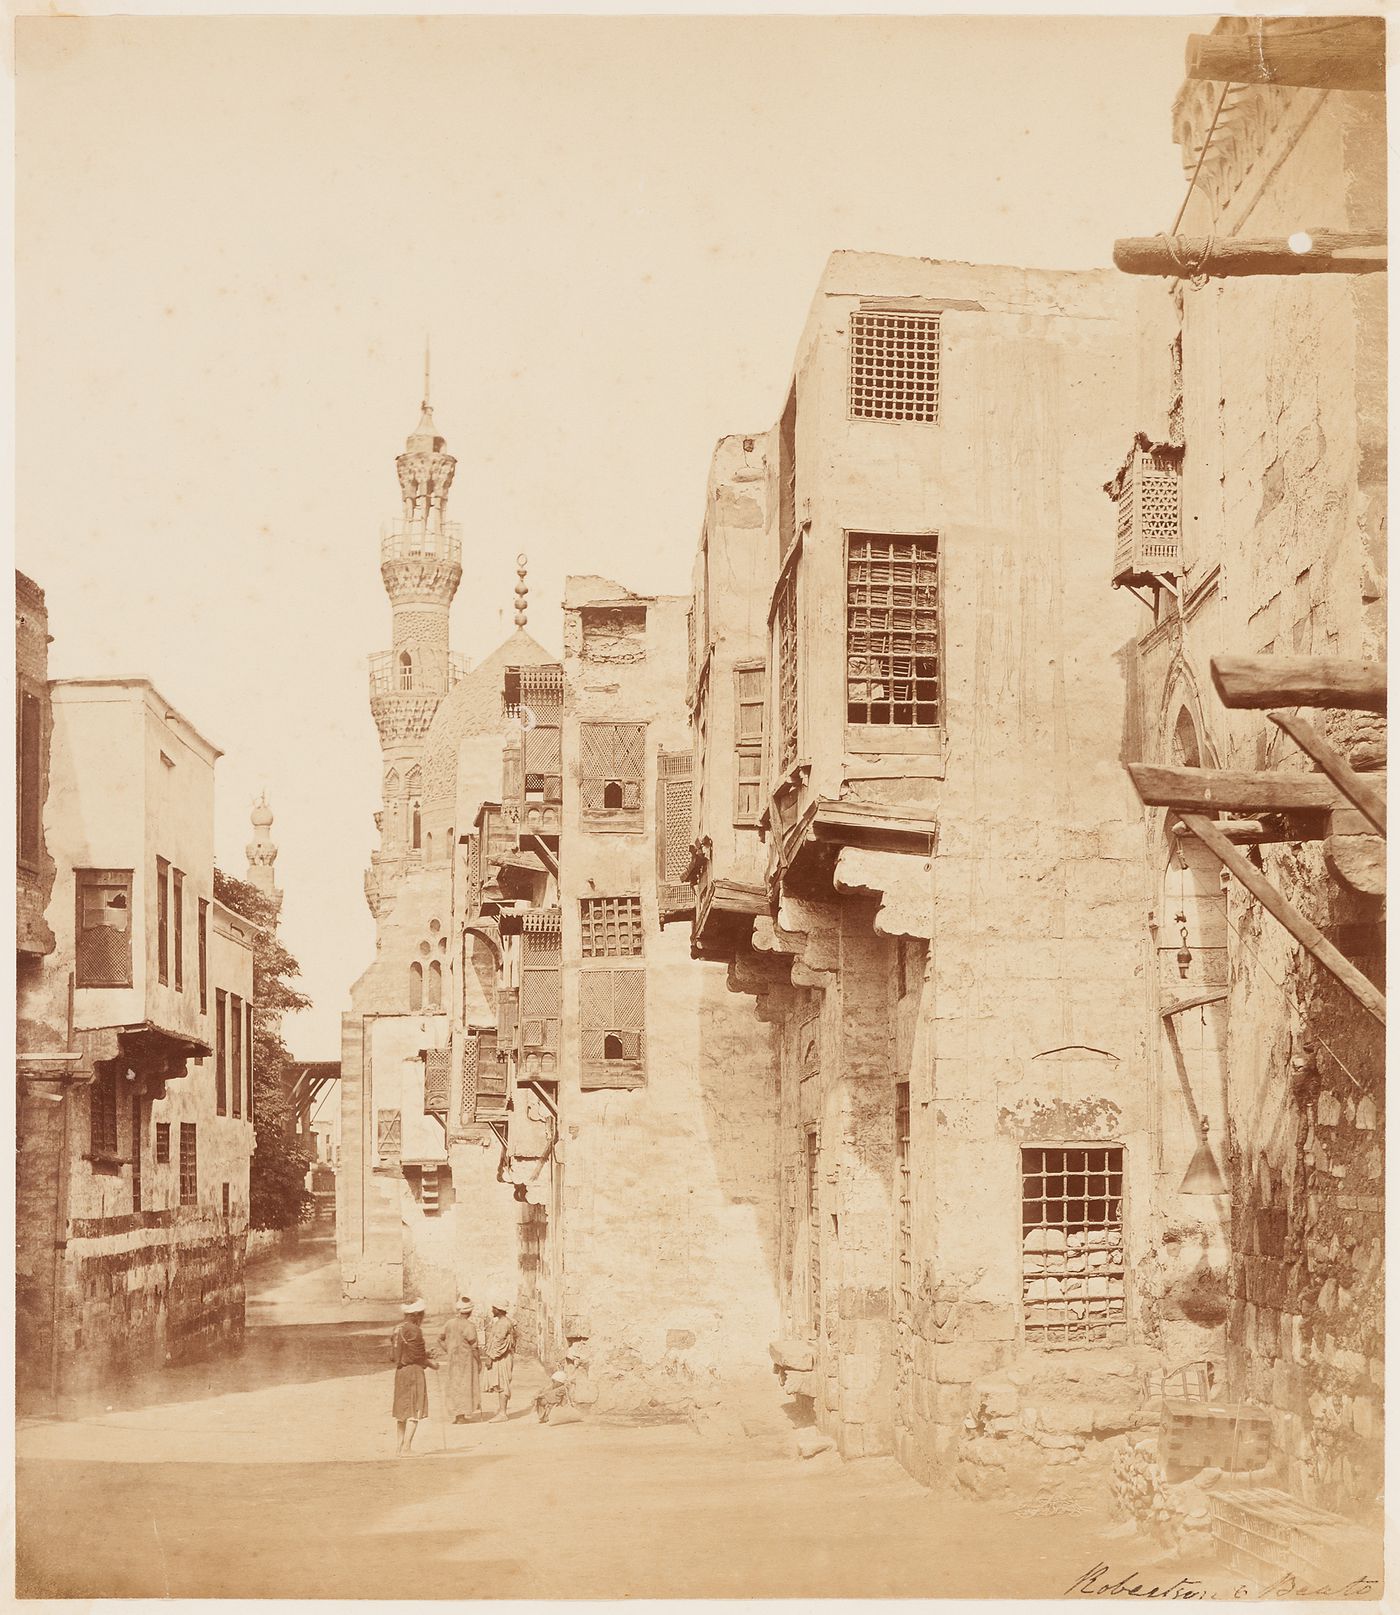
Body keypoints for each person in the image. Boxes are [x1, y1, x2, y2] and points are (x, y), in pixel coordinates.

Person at [390, 1300, 435, 1455]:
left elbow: (397, 1354)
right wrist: (432, 1364)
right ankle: (407, 1448)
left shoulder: (398, 1329)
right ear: (416, 1315)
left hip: (400, 1372)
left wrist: (424, 1354)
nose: (422, 1317)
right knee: (415, 1410)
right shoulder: (415, 1330)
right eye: (421, 1314)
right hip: (414, 1372)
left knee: (402, 1411)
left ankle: (398, 1447)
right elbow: (419, 1357)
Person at [436, 1295, 481, 1424]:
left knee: (454, 1385)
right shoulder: (469, 1326)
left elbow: (439, 1339)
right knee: (465, 1386)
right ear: (470, 1311)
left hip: (453, 1360)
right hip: (466, 1361)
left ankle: (457, 1415)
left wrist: (448, 1350)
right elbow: (474, 1347)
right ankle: (460, 1416)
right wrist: (479, 1362)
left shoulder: (449, 1323)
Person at [481, 1302, 516, 1422]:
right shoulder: (501, 1322)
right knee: (500, 1382)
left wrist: (491, 1357)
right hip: (502, 1357)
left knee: (502, 1383)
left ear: (499, 1310)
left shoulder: (503, 1324)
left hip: (503, 1358)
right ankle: (502, 1410)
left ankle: (503, 1413)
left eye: (494, 1308)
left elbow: (499, 1342)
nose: (492, 1310)